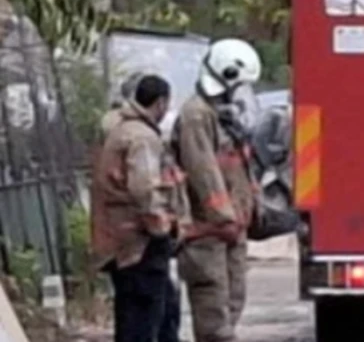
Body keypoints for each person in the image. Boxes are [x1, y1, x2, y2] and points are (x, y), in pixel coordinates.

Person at [174, 39, 262, 342]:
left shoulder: (222, 116)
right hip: (208, 232)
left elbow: (238, 168)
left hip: (230, 229)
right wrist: (223, 215)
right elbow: (204, 171)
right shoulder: (196, 115)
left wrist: (249, 212)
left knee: (233, 302)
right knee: (213, 310)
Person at [91, 75, 188, 342]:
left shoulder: (122, 130)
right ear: (160, 103)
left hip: (123, 242)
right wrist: (162, 228)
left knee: (161, 311)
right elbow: (144, 189)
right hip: (139, 245)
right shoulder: (142, 137)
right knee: (143, 320)